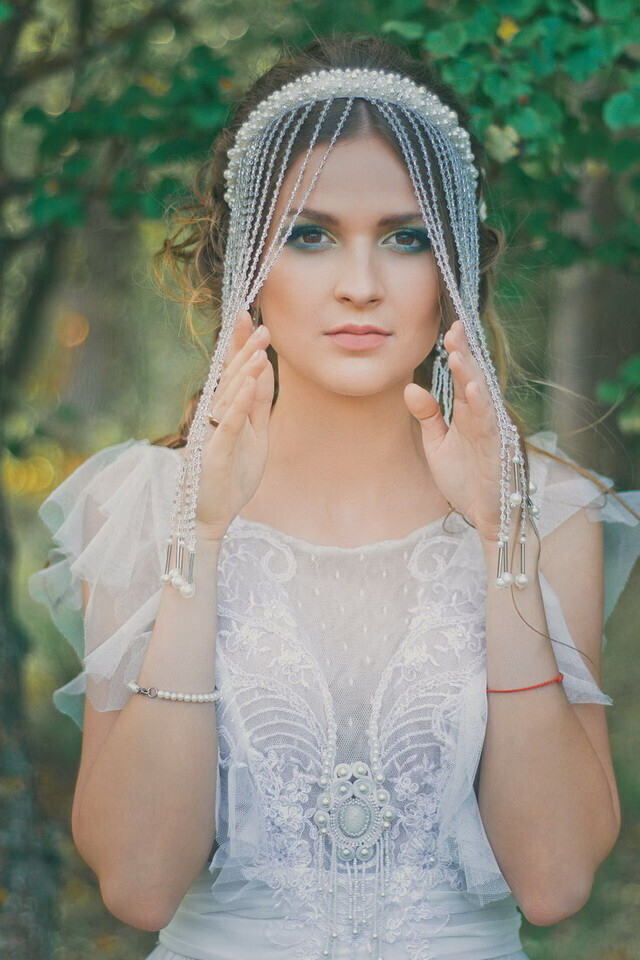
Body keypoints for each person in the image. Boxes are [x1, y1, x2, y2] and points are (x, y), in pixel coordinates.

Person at [28, 33, 640, 960]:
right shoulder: (139, 506)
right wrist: (201, 536)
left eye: (406, 238)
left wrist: (499, 540)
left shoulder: (546, 510)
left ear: (455, 270)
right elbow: (140, 884)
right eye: (309, 236)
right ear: (244, 264)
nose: (361, 286)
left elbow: (553, 882)